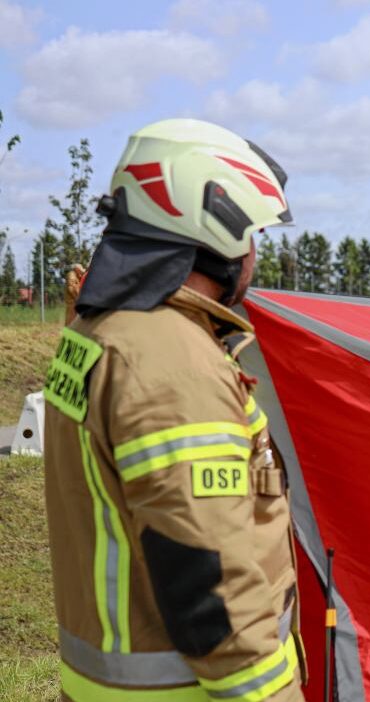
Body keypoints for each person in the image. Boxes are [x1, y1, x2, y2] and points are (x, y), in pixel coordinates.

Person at [42, 118, 304, 701]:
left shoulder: (102, 330)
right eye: (251, 232)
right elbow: (208, 577)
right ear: (211, 223)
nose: (254, 253)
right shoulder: (171, 362)